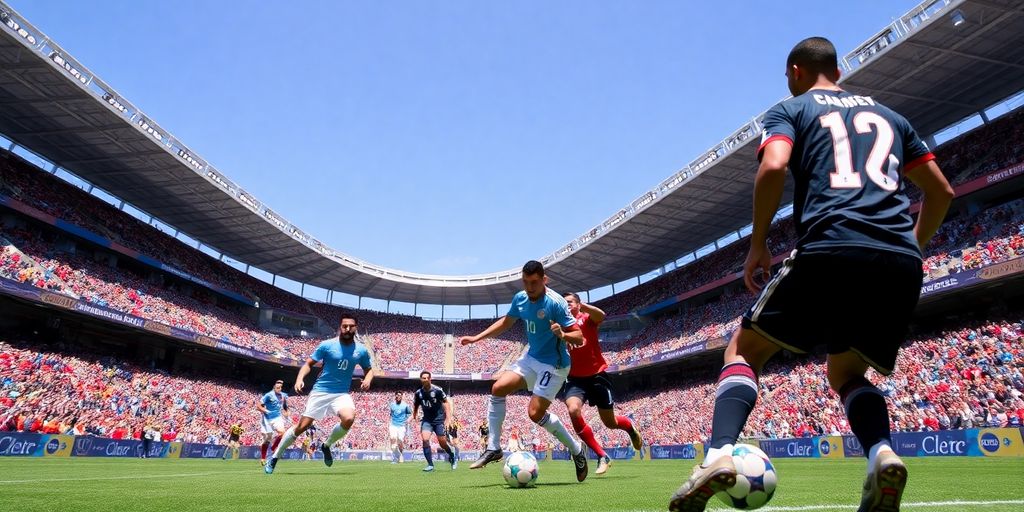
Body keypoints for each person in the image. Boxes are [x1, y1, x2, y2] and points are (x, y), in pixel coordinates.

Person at [668, 37, 953, 512]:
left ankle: (717, 455)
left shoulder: (791, 109)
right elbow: (941, 191)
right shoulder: (894, 119)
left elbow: (774, 165)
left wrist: (758, 244)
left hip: (831, 244)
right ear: (837, 72)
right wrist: (911, 248)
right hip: (898, 261)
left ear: (796, 72)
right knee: (846, 371)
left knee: (744, 348)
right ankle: (881, 454)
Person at [460, 260, 589, 482]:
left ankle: (577, 449)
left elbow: (579, 337)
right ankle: (493, 448)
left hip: (555, 364)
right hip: (531, 357)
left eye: (534, 283)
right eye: (526, 282)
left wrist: (563, 335)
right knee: (498, 388)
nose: (530, 288)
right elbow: (506, 322)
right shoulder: (520, 298)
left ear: (544, 280)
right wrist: (476, 338)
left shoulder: (556, 303)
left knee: (534, 414)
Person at [265, 314, 375, 474]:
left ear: (356, 328)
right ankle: (275, 457)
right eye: (344, 326)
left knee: (349, 418)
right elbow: (308, 364)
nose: (348, 329)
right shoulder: (327, 345)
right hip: (320, 392)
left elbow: (369, 370)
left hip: (341, 394)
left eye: (351, 326)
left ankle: (327, 445)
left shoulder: (361, 350)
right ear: (340, 327)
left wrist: (368, 379)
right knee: (302, 427)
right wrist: (299, 379)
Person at [561, 292, 644, 475]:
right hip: (575, 379)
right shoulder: (560, 325)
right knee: (573, 410)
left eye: (570, 302)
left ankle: (629, 427)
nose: (566, 306)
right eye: (563, 303)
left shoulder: (586, 319)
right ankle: (602, 455)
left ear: (578, 304)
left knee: (610, 423)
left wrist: (584, 307)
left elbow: (601, 316)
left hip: (597, 375)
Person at [412, 371, 456, 471]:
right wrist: (414, 416)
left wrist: (448, 419)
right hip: (427, 420)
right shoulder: (418, 393)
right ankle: (430, 465)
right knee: (425, 439)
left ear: (430, 379)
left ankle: (451, 455)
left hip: (439, 420)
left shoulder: (437, 390)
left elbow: (446, 403)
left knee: (442, 442)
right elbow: (416, 406)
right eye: (424, 378)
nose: (426, 379)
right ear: (421, 379)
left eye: (428, 378)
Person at [257, 380, 289, 464]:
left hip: (277, 417)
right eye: (277, 387)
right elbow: (258, 406)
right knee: (267, 439)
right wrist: (265, 410)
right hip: (267, 419)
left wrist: (286, 411)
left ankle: (273, 447)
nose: (279, 389)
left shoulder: (283, 395)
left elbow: (285, 405)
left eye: (280, 387)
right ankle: (263, 458)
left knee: (282, 433)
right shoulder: (268, 395)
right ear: (274, 388)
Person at [388, 392, 412, 464]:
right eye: (397, 395)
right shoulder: (392, 405)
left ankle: (400, 455)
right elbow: (391, 414)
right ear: (395, 396)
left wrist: (408, 419)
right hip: (393, 425)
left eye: (400, 396)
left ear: (401, 397)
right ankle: (397, 457)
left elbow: (411, 414)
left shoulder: (405, 406)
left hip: (402, 426)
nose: (399, 397)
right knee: (393, 439)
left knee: (400, 441)